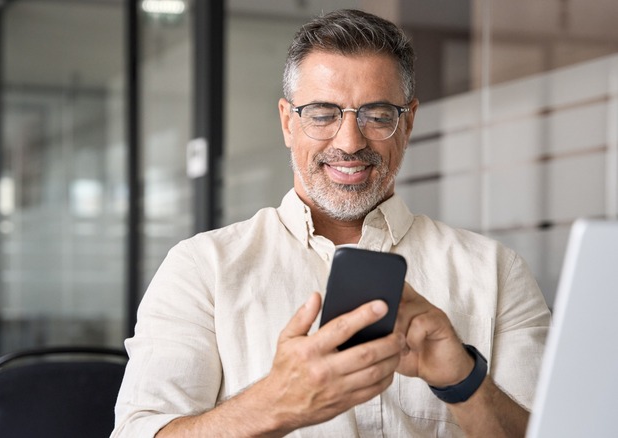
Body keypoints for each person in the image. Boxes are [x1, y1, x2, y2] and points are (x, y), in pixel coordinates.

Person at [112, 9, 550, 437]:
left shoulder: (496, 270)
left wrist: (464, 380)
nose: (349, 141)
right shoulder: (202, 268)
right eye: (322, 114)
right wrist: (275, 403)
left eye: (377, 115)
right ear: (288, 122)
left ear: (409, 122)